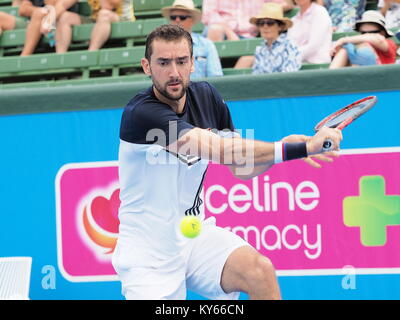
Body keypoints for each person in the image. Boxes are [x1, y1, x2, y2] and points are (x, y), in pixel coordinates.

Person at [111, 24, 343, 300]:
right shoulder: (142, 114)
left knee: (259, 271)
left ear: (193, 63)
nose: (174, 72)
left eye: (181, 61)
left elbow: (241, 167)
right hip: (148, 253)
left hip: (193, 235)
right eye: (163, 62)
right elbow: (222, 150)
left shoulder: (207, 97)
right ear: (147, 66)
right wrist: (300, 147)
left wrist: (289, 148)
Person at [161, 0, 223, 79]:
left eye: (182, 17)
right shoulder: (162, 45)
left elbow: (215, 78)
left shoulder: (207, 45)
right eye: (173, 17)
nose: (177, 20)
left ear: (192, 20)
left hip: (200, 91)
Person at [55, 0, 135, 53]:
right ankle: (60, 58)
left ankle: (91, 54)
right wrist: (48, 22)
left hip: (123, 21)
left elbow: (109, 6)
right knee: (65, 17)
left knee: (104, 14)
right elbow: (62, 4)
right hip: (96, 20)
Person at [243, 3, 301, 74]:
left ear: (280, 26)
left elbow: (288, 77)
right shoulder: (260, 49)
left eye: (270, 23)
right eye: (261, 23)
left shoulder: (289, 46)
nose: (265, 26)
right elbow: (256, 77)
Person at [329, 10, 397, 69]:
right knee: (346, 49)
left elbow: (378, 40)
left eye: (372, 32)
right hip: (356, 78)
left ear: (382, 33)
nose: (366, 35)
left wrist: (342, 40)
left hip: (382, 80)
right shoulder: (356, 46)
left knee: (364, 49)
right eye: (363, 33)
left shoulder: (389, 43)